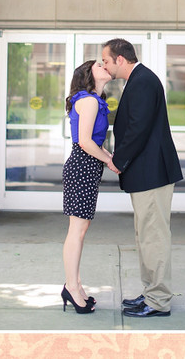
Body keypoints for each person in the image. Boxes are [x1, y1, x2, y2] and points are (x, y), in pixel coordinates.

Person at [101, 38, 184, 318]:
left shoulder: (144, 81)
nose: (104, 66)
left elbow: (139, 128)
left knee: (154, 238)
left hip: (152, 174)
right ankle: (151, 293)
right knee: (145, 236)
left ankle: (158, 301)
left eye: (106, 61)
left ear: (120, 59)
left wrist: (118, 160)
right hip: (146, 174)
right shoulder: (138, 80)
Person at [61, 60, 120, 314]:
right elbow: (84, 142)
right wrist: (108, 159)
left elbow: (95, 140)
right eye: (99, 64)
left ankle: (75, 285)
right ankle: (72, 288)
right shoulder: (90, 101)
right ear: (88, 73)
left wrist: (109, 157)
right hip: (82, 166)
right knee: (77, 231)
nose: (105, 65)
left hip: (87, 166)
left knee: (80, 230)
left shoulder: (94, 100)